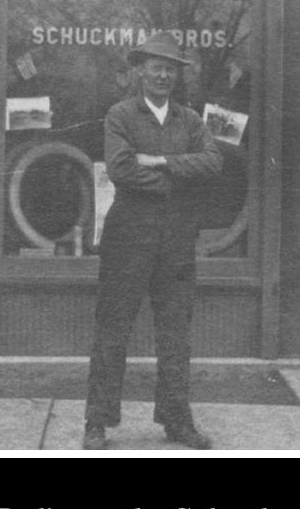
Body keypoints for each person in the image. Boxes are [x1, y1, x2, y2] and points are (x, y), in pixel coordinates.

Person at [83, 32, 223, 450]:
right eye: (156, 67)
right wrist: (178, 181)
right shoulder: (120, 115)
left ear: (177, 77)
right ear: (140, 71)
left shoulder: (191, 120)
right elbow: (122, 170)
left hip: (177, 242)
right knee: (112, 330)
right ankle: (97, 422)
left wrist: (162, 161)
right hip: (128, 239)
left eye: (171, 69)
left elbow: (214, 162)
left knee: (176, 334)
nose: (163, 75)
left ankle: (177, 421)